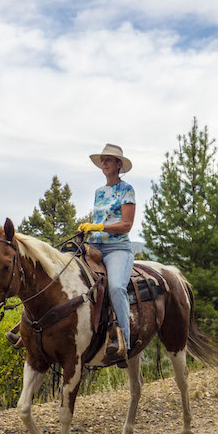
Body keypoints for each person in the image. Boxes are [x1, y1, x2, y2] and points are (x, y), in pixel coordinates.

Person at [77, 143, 136, 359]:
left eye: (108, 160)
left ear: (118, 164)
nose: (104, 163)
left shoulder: (126, 190)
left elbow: (126, 225)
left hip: (117, 247)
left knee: (117, 287)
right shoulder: (99, 192)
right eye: (102, 159)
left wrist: (99, 227)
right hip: (95, 246)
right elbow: (99, 220)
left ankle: (124, 341)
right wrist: (87, 230)